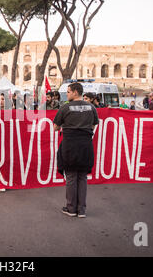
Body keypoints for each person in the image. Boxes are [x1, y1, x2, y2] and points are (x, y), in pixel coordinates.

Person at [53, 83, 99, 219]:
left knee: (71, 176)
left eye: (68, 92)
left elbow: (55, 127)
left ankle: (71, 208)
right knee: (83, 177)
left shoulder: (65, 107)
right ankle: (82, 210)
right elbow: (94, 124)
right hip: (86, 144)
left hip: (70, 145)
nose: (66, 94)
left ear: (75, 92)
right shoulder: (91, 107)